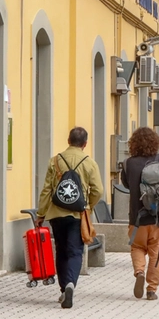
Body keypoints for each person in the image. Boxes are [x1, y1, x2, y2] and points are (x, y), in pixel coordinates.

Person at [36, 127, 103, 309]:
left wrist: (41, 213)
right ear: (85, 144)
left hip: (56, 213)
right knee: (75, 251)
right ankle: (71, 284)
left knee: (61, 250)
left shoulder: (55, 160)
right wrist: (88, 205)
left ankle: (63, 288)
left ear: (68, 140)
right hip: (77, 215)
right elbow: (98, 190)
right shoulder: (89, 163)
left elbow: (47, 189)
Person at [122, 127, 159, 301]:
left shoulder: (128, 164)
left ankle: (139, 271)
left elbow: (126, 185)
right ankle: (151, 289)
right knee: (156, 253)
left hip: (136, 218)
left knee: (137, 247)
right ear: (155, 142)